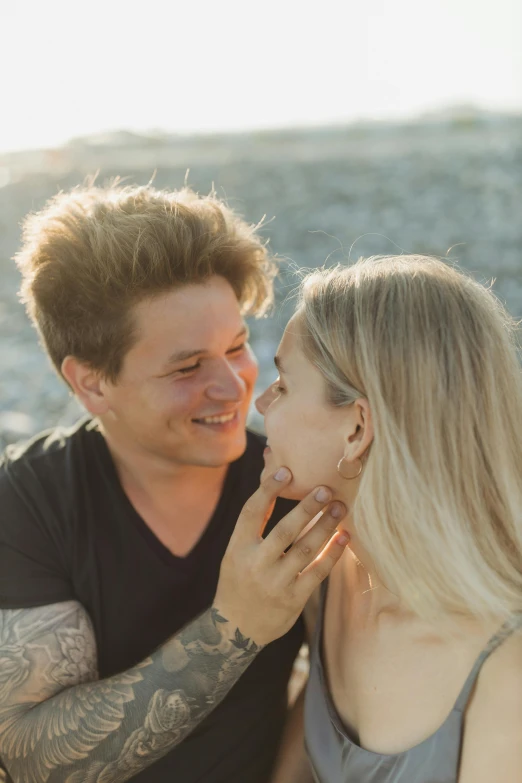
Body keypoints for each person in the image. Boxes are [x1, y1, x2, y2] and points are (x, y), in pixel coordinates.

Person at [0, 184, 349, 783]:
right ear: (91, 385)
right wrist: (236, 627)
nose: (234, 386)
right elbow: (32, 757)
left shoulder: (298, 489)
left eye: (237, 347)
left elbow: (330, 698)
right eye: (187, 367)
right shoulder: (27, 500)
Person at [258, 255, 522, 783]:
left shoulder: (506, 668)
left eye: (283, 384)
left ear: (357, 429)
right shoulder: (327, 573)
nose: (262, 404)